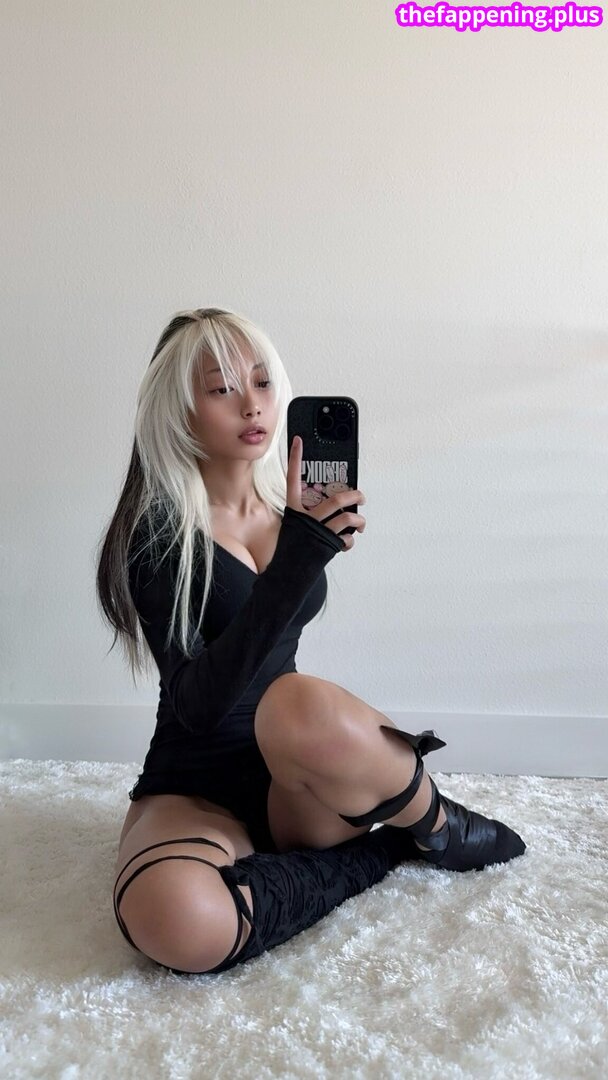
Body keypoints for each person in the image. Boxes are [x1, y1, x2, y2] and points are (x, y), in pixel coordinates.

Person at [95, 307, 526, 977]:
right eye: (221, 389)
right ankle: (383, 852)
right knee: (174, 920)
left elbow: (289, 694)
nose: (251, 404)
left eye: (262, 383)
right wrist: (299, 558)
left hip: (296, 776)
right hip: (195, 789)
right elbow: (198, 706)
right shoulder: (156, 535)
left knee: (294, 702)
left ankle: (440, 825)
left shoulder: (291, 512)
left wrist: (301, 542)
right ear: (178, 413)